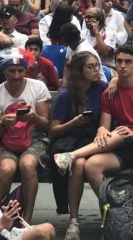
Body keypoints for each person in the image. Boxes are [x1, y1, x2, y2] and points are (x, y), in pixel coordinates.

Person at [54, 45, 133, 240]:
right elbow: (105, 125)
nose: (122, 66)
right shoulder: (108, 93)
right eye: (119, 61)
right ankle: (120, 212)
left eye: (127, 62)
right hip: (122, 143)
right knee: (91, 165)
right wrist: (102, 129)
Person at [0, 50, 51, 224]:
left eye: (20, 71)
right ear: (4, 72)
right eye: (12, 71)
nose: (16, 75)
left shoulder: (37, 87)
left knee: (27, 165)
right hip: (6, 142)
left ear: (25, 71)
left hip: (34, 138)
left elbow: (46, 125)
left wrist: (34, 117)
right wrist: (2, 123)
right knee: (6, 169)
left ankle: (26, 220)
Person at [49, 51, 107, 239]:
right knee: (79, 164)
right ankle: (74, 220)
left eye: (97, 65)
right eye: (91, 67)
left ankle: (97, 217)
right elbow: (54, 130)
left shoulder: (103, 88)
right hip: (70, 139)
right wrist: (73, 122)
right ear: (80, 71)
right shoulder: (66, 95)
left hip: (93, 141)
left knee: (80, 163)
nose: (96, 70)